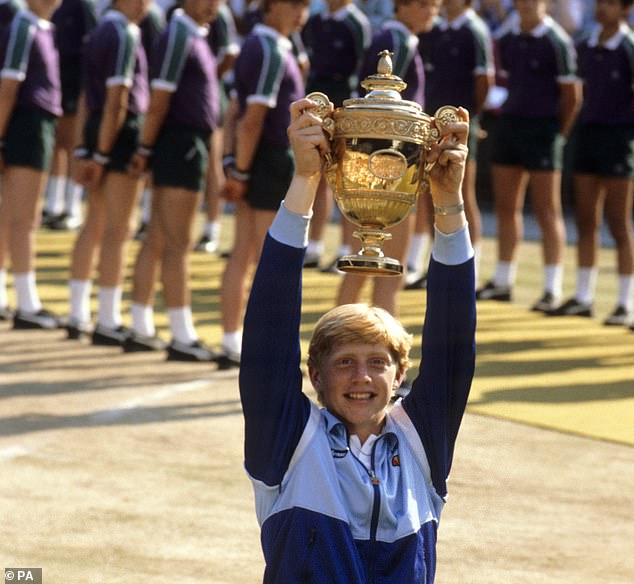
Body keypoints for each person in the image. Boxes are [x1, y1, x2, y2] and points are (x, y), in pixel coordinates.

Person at [240, 97, 475, 583]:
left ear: (401, 375)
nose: (362, 377)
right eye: (344, 362)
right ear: (315, 376)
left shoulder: (421, 441)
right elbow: (267, 331)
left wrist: (449, 204)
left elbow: (455, 340)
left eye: (377, 362)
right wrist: (305, 181)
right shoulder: (289, 442)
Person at [125, 0, 222, 360]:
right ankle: (180, 333)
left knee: (161, 238)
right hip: (179, 142)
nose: (215, 5)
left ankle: (141, 324)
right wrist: (146, 147)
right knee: (177, 242)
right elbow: (160, 97)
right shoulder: (179, 32)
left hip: (183, 142)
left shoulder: (192, 32)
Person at [217, 0, 310, 368]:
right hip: (268, 160)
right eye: (293, 4)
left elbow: (236, 112)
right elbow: (251, 118)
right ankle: (255, 344)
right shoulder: (270, 48)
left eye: (305, 5)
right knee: (265, 257)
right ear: (269, 7)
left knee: (245, 253)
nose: (301, 11)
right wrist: (239, 172)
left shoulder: (267, 44)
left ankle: (232, 339)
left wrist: (234, 166)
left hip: (259, 160)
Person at [476, 0, 582, 312]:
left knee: (547, 210)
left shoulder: (557, 41)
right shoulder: (507, 39)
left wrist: (556, 134)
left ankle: (552, 288)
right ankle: (502, 280)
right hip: (509, 125)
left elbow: (572, 97)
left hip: (543, 131)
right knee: (507, 206)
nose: (524, 5)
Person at [335, 0, 434, 315]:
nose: (430, 11)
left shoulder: (398, 38)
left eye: (434, 5)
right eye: (423, 4)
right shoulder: (397, 41)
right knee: (383, 271)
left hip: (380, 161)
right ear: (401, 6)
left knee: (368, 267)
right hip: (389, 166)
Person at [65, 0, 150, 342]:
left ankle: (77, 312)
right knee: (119, 229)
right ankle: (108, 318)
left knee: (95, 223)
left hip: (100, 129)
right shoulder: (123, 31)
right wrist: (102, 154)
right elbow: (118, 97)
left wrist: (88, 148)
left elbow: (89, 97)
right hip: (118, 131)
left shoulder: (101, 28)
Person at [547, 0, 634, 327]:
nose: (603, 9)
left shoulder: (628, 48)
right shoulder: (583, 45)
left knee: (619, 223)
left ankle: (626, 303)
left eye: (611, 3)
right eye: (600, 3)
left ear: (625, 9)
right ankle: (583, 296)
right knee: (585, 219)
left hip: (619, 142)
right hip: (587, 138)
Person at [413, 0, 494, 288]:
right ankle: (432, 263)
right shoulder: (434, 29)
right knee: (426, 191)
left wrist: (471, 121)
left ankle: (469, 265)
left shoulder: (475, 30)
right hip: (430, 123)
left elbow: (484, 80)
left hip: (458, 126)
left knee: (462, 193)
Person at [0, 0, 64, 330]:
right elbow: (8, 87)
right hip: (27, 127)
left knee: (15, 215)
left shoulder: (37, 27)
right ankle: (27, 303)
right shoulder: (24, 26)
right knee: (24, 217)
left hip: (33, 126)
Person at [300, 0, 371, 270]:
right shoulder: (315, 21)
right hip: (316, 102)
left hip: (343, 107)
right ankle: (313, 246)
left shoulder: (356, 24)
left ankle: (345, 249)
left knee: (345, 178)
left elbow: (362, 72)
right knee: (315, 174)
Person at [43, 0, 97, 231]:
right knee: (56, 146)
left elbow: (91, 50)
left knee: (73, 145)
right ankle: (53, 204)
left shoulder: (83, 6)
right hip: (54, 86)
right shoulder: (56, 5)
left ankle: (72, 207)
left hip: (76, 87)